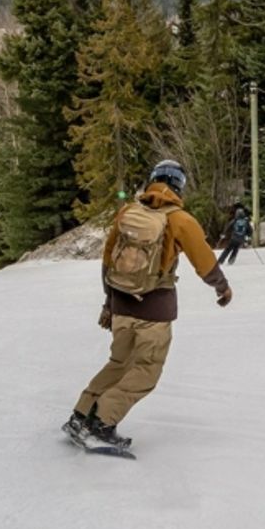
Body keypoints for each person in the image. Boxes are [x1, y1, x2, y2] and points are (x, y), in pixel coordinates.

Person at [65, 159, 233, 450]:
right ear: (179, 186)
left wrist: (109, 303)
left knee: (119, 363)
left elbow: (107, 263)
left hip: (120, 306)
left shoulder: (127, 212)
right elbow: (204, 262)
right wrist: (222, 287)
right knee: (146, 370)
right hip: (154, 311)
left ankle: (81, 415)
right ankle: (102, 422)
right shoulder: (180, 220)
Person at [218, 202, 251, 267]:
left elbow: (228, 227)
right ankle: (231, 259)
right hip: (241, 239)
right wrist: (248, 236)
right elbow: (250, 230)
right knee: (236, 249)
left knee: (227, 249)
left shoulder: (235, 221)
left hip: (234, 238)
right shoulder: (246, 222)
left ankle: (220, 260)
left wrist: (224, 234)